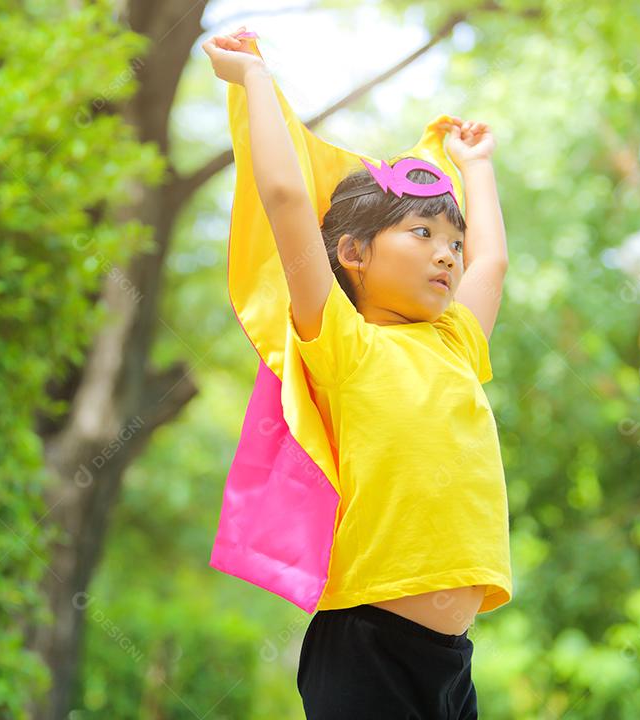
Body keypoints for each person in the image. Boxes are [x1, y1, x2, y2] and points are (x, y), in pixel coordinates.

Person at [204, 26, 512, 719]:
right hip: (365, 646)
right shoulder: (343, 343)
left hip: (450, 662)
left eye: (453, 240)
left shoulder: (456, 341)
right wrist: (255, 80)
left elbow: (492, 263)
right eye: (423, 233)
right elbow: (285, 198)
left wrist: (479, 164)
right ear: (353, 253)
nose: (448, 255)